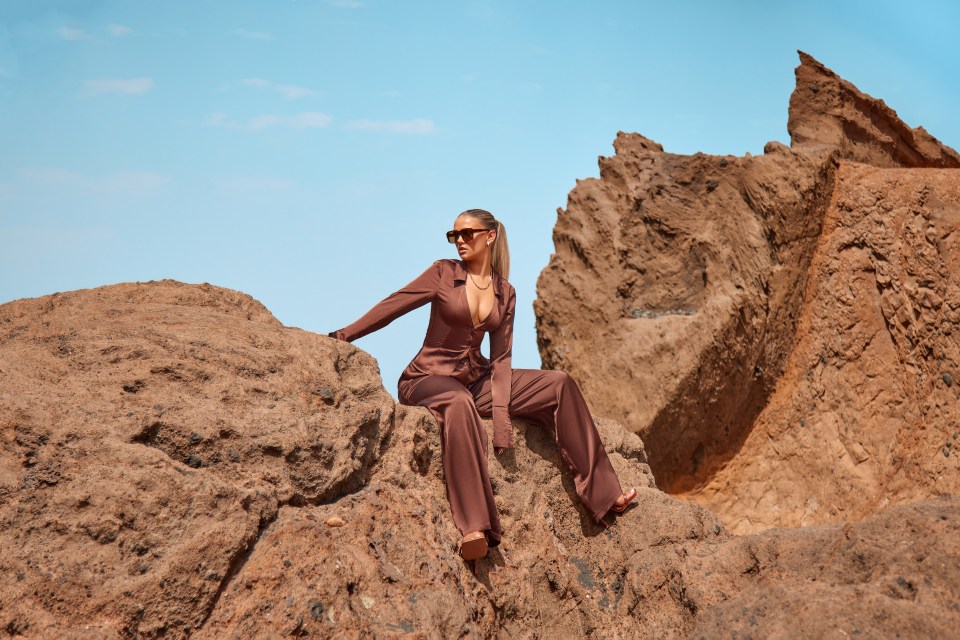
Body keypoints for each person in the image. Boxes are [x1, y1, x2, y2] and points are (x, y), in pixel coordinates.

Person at [328, 209, 637, 564]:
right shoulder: (443, 273)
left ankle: (604, 492)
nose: (459, 241)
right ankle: (474, 527)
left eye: (467, 233)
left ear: (489, 236)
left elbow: (502, 358)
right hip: (427, 379)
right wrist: (343, 336)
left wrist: (503, 418)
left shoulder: (505, 292)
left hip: (478, 380)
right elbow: (393, 305)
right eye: (453, 235)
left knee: (559, 384)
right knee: (458, 403)